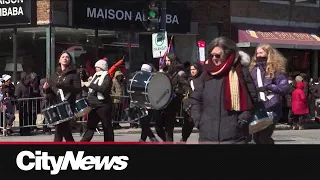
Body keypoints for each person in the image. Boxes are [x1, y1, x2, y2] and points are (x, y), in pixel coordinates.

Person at [190, 37, 257, 144]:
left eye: (218, 55)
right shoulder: (206, 74)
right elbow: (195, 99)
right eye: (212, 55)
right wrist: (198, 120)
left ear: (228, 53)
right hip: (207, 136)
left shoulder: (241, 73)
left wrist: (243, 120)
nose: (214, 58)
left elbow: (252, 100)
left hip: (235, 137)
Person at [249, 44, 289, 144]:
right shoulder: (253, 70)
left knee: (263, 137)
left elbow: (285, 88)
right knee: (255, 139)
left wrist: (269, 87)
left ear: (268, 54)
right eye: (257, 53)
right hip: (257, 107)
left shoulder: (276, 70)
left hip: (271, 107)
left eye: (261, 53)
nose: (258, 55)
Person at [43, 51, 81, 142]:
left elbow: (77, 89)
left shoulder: (74, 74)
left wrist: (63, 86)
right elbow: (51, 92)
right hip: (56, 104)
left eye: (67, 57)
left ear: (70, 60)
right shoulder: (54, 75)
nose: (65, 58)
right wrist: (46, 89)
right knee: (64, 130)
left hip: (67, 104)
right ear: (59, 60)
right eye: (63, 57)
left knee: (60, 129)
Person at [155, 53, 189, 142]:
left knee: (168, 129)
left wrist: (180, 91)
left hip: (172, 104)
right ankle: (167, 141)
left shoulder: (179, 73)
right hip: (162, 103)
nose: (166, 62)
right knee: (158, 127)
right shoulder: (164, 71)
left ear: (173, 61)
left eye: (168, 60)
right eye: (165, 60)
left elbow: (186, 86)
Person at [80, 58, 114, 142]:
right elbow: (91, 89)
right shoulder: (95, 76)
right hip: (93, 105)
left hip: (103, 105)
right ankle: (83, 143)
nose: (96, 69)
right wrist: (84, 84)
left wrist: (90, 85)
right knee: (90, 126)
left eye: (97, 67)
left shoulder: (107, 76)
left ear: (102, 67)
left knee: (106, 127)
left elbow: (103, 89)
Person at [137, 64, 159, 142]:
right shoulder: (140, 79)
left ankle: (148, 140)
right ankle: (146, 139)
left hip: (149, 105)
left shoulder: (152, 80)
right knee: (143, 123)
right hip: (141, 104)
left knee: (144, 123)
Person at [181, 62, 202, 142]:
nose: (192, 71)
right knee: (187, 128)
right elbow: (187, 94)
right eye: (191, 70)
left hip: (201, 108)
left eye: (194, 69)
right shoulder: (189, 80)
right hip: (190, 109)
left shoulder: (202, 80)